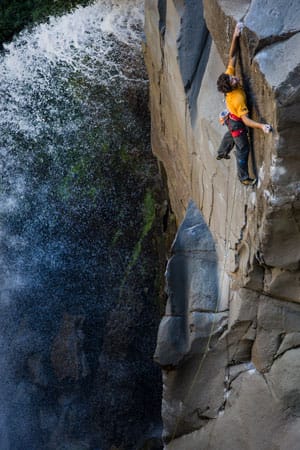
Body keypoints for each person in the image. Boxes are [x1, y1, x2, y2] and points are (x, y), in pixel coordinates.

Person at [216, 22, 272, 186]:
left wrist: (235, 35)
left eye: (232, 77)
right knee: (243, 148)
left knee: (231, 133)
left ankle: (222, 151)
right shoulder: (238, 98)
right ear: (231, 87)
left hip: (231, 116)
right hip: (237, 122)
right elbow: (246, 121)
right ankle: (244, 178)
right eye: (233, 80)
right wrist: (262, 126)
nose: (235, 78)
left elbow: (232, 56)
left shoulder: (228, 77)